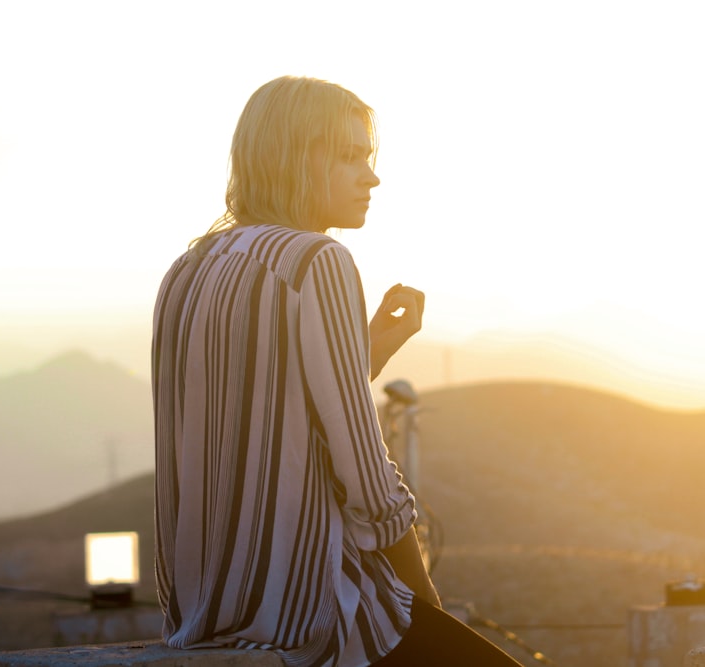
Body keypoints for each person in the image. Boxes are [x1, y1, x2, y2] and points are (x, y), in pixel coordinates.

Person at [151, 76, 519, 666]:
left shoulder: (188, 268)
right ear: (292, 156)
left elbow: (267, 410)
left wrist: (364, 355)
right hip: (313, 613)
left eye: (367, 158)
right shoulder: (318, 260)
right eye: (349, 157)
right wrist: (428, 605)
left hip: (204, 613)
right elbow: (367, 478)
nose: (371, 177)